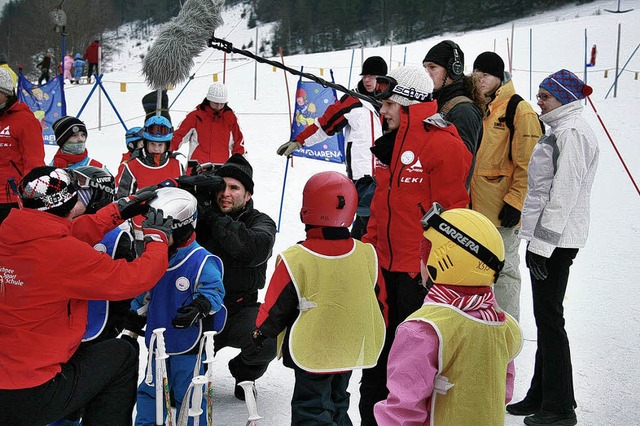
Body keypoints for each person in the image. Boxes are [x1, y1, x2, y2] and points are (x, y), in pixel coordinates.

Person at [0, 166, 171, 425]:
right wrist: (157, 241)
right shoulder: (66, 255)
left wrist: (116, 211)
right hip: (29, 393)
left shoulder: (8, 235)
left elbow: (56, 236)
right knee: (121, 354)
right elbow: (133, 279)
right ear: (71, 204)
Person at [359, 66, 473, 424]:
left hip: (418, 278)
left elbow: (454, 220)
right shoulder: (390, 145)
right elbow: (380, 209)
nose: (383, 110)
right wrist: (367, 252)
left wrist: (434, 270)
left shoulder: (443, 144)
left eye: (390, 102)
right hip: (384, 273)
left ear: (409, 103)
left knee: (410, 370)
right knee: (376, 365)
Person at [254, 171, 387, 424]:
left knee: (311, 407)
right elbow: (380, 301)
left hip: (312, 348)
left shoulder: (297, 257)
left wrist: (262, 331)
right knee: (339, 400)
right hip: (349, 347)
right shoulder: (367, 254)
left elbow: (277, 306)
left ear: (307, 210)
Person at [375, 204, 522, 424]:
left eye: (425, 254)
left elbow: (402, 410)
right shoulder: (504, 325)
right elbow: (502, 392)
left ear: (440, 262)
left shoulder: (423, 330)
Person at [507, 70, 598, 426]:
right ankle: (542, 394)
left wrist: (541, 245)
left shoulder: (572, 132)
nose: (539, 101)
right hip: (550, 239)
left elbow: (563, 194)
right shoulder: (561, 129)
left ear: (563, 97)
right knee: (546, 319)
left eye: (545, 96)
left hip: (556, 242)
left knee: (550, 321)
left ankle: (560, 407)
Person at [129, 187, 226, 426]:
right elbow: (145, 292)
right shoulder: (155, 256)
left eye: (160, 233)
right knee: (151, 391)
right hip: (156, 342)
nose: (153, 239)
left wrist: (199, 306)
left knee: (189, 392)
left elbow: (214, 291)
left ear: (181, 229)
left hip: (188, 344)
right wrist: (133, 317)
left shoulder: (200, 260)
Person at [193, 153, 278, 400]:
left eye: (234, 188)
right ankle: (197, 366)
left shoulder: (261, 222)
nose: (225, 193)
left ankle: (243, 371)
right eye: (221, 186)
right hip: (201, 310)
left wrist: (213, 217)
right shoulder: (199, 216)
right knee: (184, 388)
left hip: (241, 310)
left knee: (267, 339)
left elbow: (251, 248)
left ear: (248, 194)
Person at [276, 56, 388, 239]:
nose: (367, 80)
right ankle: (354, 254)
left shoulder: (390, 102)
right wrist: (299, 141)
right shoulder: (352, 101)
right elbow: (324, 125)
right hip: (363, 176)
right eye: (365, 75)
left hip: (386, 173)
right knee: (366, 221)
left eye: (373, 76)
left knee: (379, 224)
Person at [470, 51, 543, 321]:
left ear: (500, 77)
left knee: (505, 271)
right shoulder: (478, 107)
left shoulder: (518, 109)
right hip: (474, 210)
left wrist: (516, 202)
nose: (479, 80)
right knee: (476, 270)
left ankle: (506, 327)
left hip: (502, 210)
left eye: (486, 75)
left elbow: (530, 165)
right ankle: (480, 325)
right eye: (476, 74)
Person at [422, 40, 484, 184]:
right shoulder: (436, 101)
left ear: (453, 70)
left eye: (432, 67)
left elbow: (460, 166)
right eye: (425, 68)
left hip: (445, 198)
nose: (427, 73)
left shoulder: (464, 110)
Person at [0, 67, 45, 224]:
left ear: (6, 93)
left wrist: (31, 196)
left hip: (11, 198)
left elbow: (34, 163)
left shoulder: (25, 120)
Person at [170, 82, 245, 173]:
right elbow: (178, 136)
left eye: (222, 103)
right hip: (196, 167)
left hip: (221, 168)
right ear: (208, 100)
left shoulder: (230, 118)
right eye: (215, 103)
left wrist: (240, 164)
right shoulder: (195, 116)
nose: (218, 106)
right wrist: (166, 150)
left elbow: (238, 143)